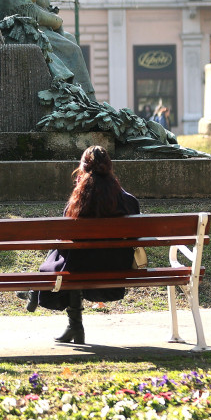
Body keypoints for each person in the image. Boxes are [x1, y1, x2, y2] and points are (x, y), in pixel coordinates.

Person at [18, 145, 139, 344]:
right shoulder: (127, 201)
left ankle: (37, 291)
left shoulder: (77, 203)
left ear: (82, 169)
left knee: (69, 254)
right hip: (116, 267)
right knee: (73, 255)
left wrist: (80, 185)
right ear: (109, 167)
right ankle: (73, 327)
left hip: (79, 268)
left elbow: (64, 239)